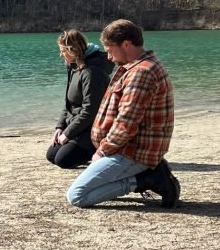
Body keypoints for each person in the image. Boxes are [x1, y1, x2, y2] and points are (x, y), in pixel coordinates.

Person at [66, 20, 180, 208]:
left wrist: (102, 151)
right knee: (96, 187)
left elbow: (126, 124)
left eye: (110, 50)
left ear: (126, 44)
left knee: (78, 196)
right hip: (124, 149)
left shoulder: (141, 73)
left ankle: (147, 179)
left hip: (134, 153)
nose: (108, 57)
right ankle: (148, 173)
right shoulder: (135, 67)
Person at [46, 30, 113, 169]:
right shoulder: (75, 67)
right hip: (77, 127)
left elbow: (90, 111)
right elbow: (69, 104)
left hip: (92, 130)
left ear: (72, 50)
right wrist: (60, 127)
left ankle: (97, 150)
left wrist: (68, 133)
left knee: (62, 160)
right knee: (52, 155)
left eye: (63, 51)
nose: (61, 55)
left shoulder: (92, 73)